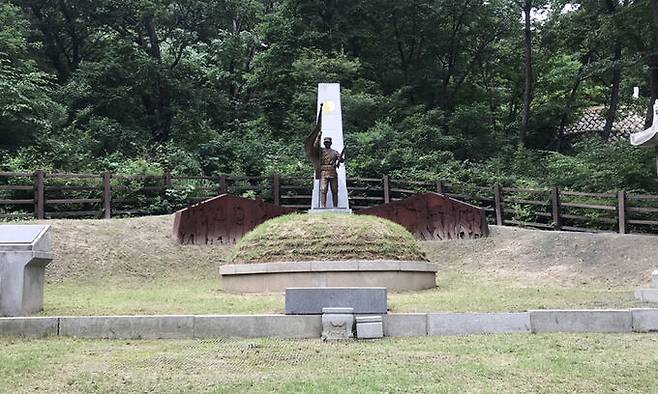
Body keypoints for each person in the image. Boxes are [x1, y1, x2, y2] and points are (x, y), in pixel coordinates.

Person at [304, 103, 345, 208]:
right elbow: (315, 146)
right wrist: (318, 136)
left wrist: (340, 159)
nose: (326, 143)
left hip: (332, 171)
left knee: (335, 190)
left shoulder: (335, 152)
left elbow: (342, 160)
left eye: (328, 142)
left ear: (330, 143)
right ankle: (322, 206)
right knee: (323, 189)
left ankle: (335, 206)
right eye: (325, 142)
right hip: (323, 172)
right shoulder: (320, 151)